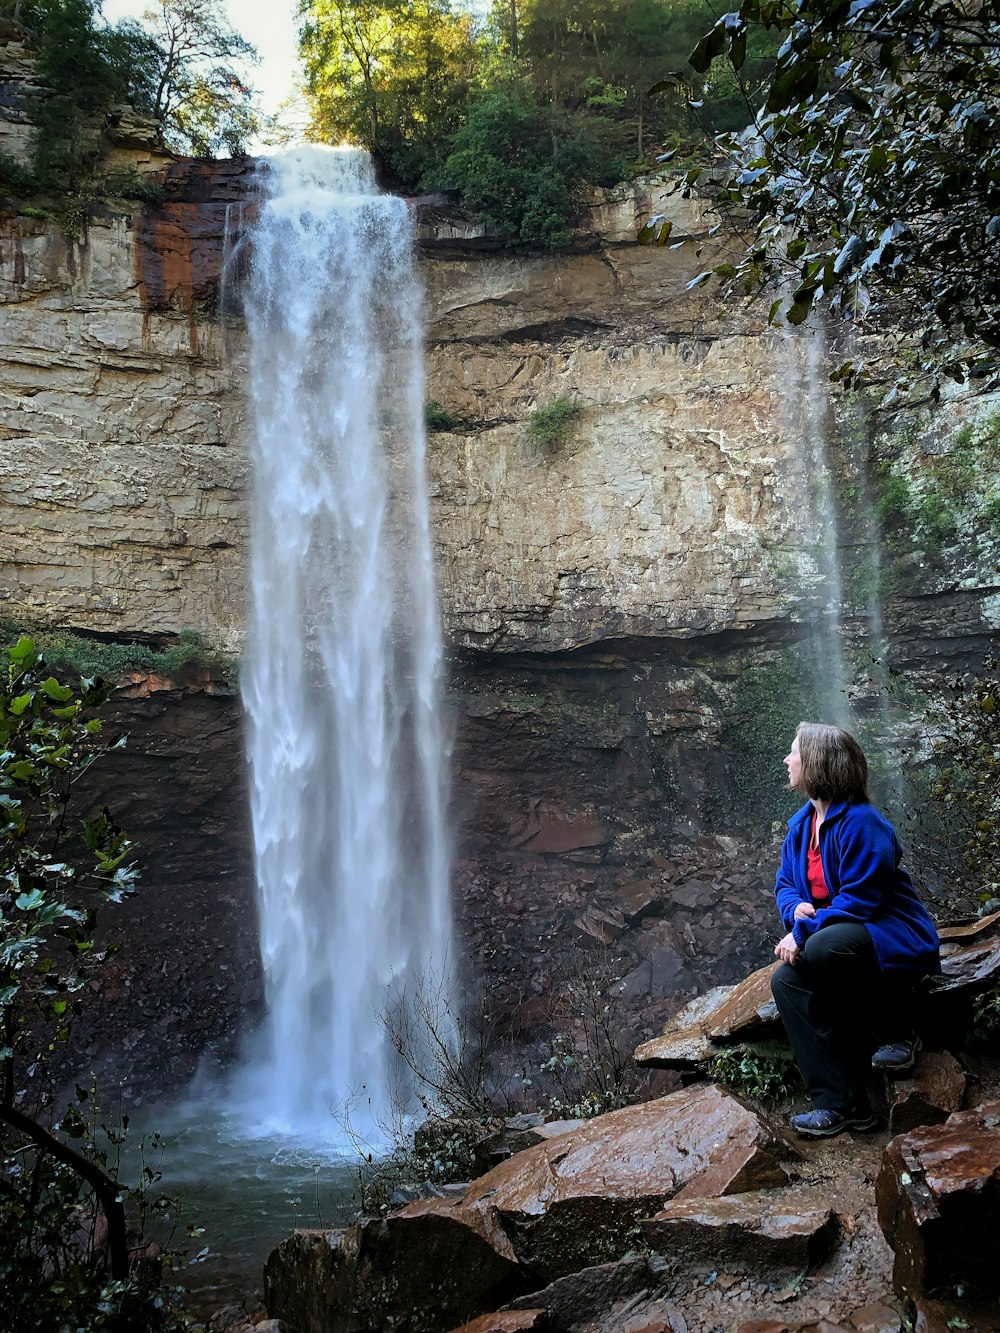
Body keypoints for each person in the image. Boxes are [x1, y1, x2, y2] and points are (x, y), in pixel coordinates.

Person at [771, 721, 940, 1139]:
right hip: (835, 935)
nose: (787, 760)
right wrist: (795, 910)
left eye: (794, 753)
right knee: (786, 983)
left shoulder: (863, 823)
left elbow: (863, 899)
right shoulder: (800, 827)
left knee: (826, 947)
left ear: (816, 763)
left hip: (887, 932)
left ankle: (897, 1034)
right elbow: (785, 884)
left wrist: (802, 932)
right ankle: (838, 1103)